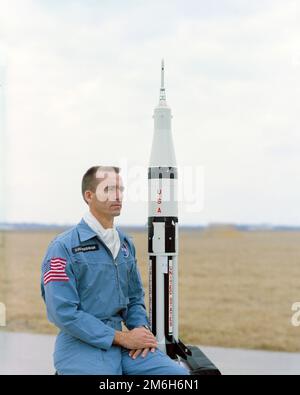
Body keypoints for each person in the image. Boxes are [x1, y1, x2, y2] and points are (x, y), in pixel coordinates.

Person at [41, 165, 190, 375]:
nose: (117, 195)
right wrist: (121, 338)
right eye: (109, 189)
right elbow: (62, 313)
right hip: (81, 346)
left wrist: (139, 328)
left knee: (179, 376)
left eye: (120, 189)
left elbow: (134, 297)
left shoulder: (125, 244)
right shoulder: (63, 247)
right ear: (89, 196)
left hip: (125, 347)